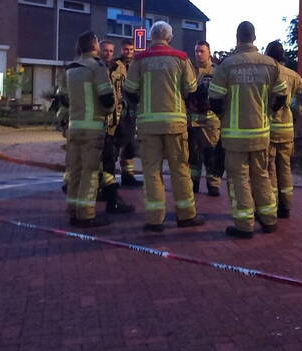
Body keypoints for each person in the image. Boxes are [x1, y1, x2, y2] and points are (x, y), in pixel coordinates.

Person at [123, 21, 204, 232]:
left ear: (151, 37)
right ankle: (186, 215)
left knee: (151, 171)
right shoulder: (181, 58)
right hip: (175, 124)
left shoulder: (139, 59)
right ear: (169, 37)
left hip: (148, 125)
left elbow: (130, 91)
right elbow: (192, 90)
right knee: (180, 170)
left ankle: (154, 219)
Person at [209, 21, 287, 238]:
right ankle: (269, 220)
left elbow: (214, 99)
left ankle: (244, 225)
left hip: (235, 136)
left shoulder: (227, 65)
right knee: (261, 175)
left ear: (237, 37)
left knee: (239, 179)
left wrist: (224, 117)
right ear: (254, 37)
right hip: (261, 133)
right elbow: (281, 97)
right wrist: (267, 113)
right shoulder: (270, 64)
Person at [61, 31, 115, 228]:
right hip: (92, 128)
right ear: (94, 46)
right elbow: (107, 98)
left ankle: (73, 210)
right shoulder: (97, 67)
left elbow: (63, 99)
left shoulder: (70, 68)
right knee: (90, 173)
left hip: (74, 127)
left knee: (74, 170)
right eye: (98, 43)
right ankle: (86, 214)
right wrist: (109, 111)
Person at [264, 40, 302, 219]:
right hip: (287, 129)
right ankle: (286, 207)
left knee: (270, 169)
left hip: (269, 129)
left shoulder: (268, 74)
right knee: (285, 168)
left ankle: (273, 206)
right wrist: (297, 109)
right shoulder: (292, 75)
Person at [96, 40, 135, 214]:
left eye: (110, 51)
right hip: (100, 122)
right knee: (106, 159)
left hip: (114, 120)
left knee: (109, 157)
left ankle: (107, 193)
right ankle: (110, 198)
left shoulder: (115, 68)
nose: (108, 54)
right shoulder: (98, 70)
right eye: (105, 50)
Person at [187, 40, 222, 196]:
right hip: (193, 120)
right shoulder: (190, 70)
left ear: (209, 52)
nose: (198, 54)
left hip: (211, 120)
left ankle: (213, 184)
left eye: (202, 51)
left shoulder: (217, 72)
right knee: (194, 154)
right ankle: (193, 182)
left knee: (211, 153)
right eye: (196, 51)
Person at [116, 38, 142, 187]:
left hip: (131, 111)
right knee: (115, 145)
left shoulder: (136, 65)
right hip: (117, 112)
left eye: (131, 50)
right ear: (121, 50)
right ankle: (108, 177)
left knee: (130, 144)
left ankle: (128, 176)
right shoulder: (115, 66)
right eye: (126, 49)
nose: (129, 52)